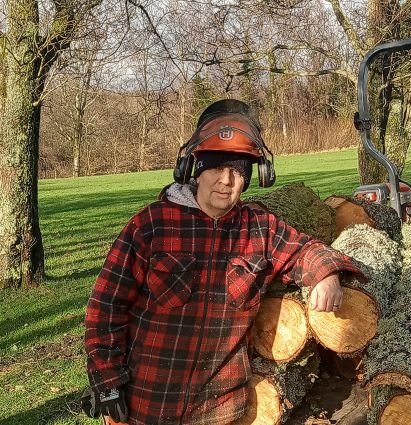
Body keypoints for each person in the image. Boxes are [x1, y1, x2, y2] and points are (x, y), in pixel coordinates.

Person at [83, 99, 363, 425]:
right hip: (149, 402)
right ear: (195, 171)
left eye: (237, 171)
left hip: (220, 410)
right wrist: (108, 381)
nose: (226, 181)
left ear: (253, 176)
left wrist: (325, 273)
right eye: (216, 168)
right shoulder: (152, 225)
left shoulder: (259, 228)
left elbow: (306, 250)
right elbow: (105, 306)